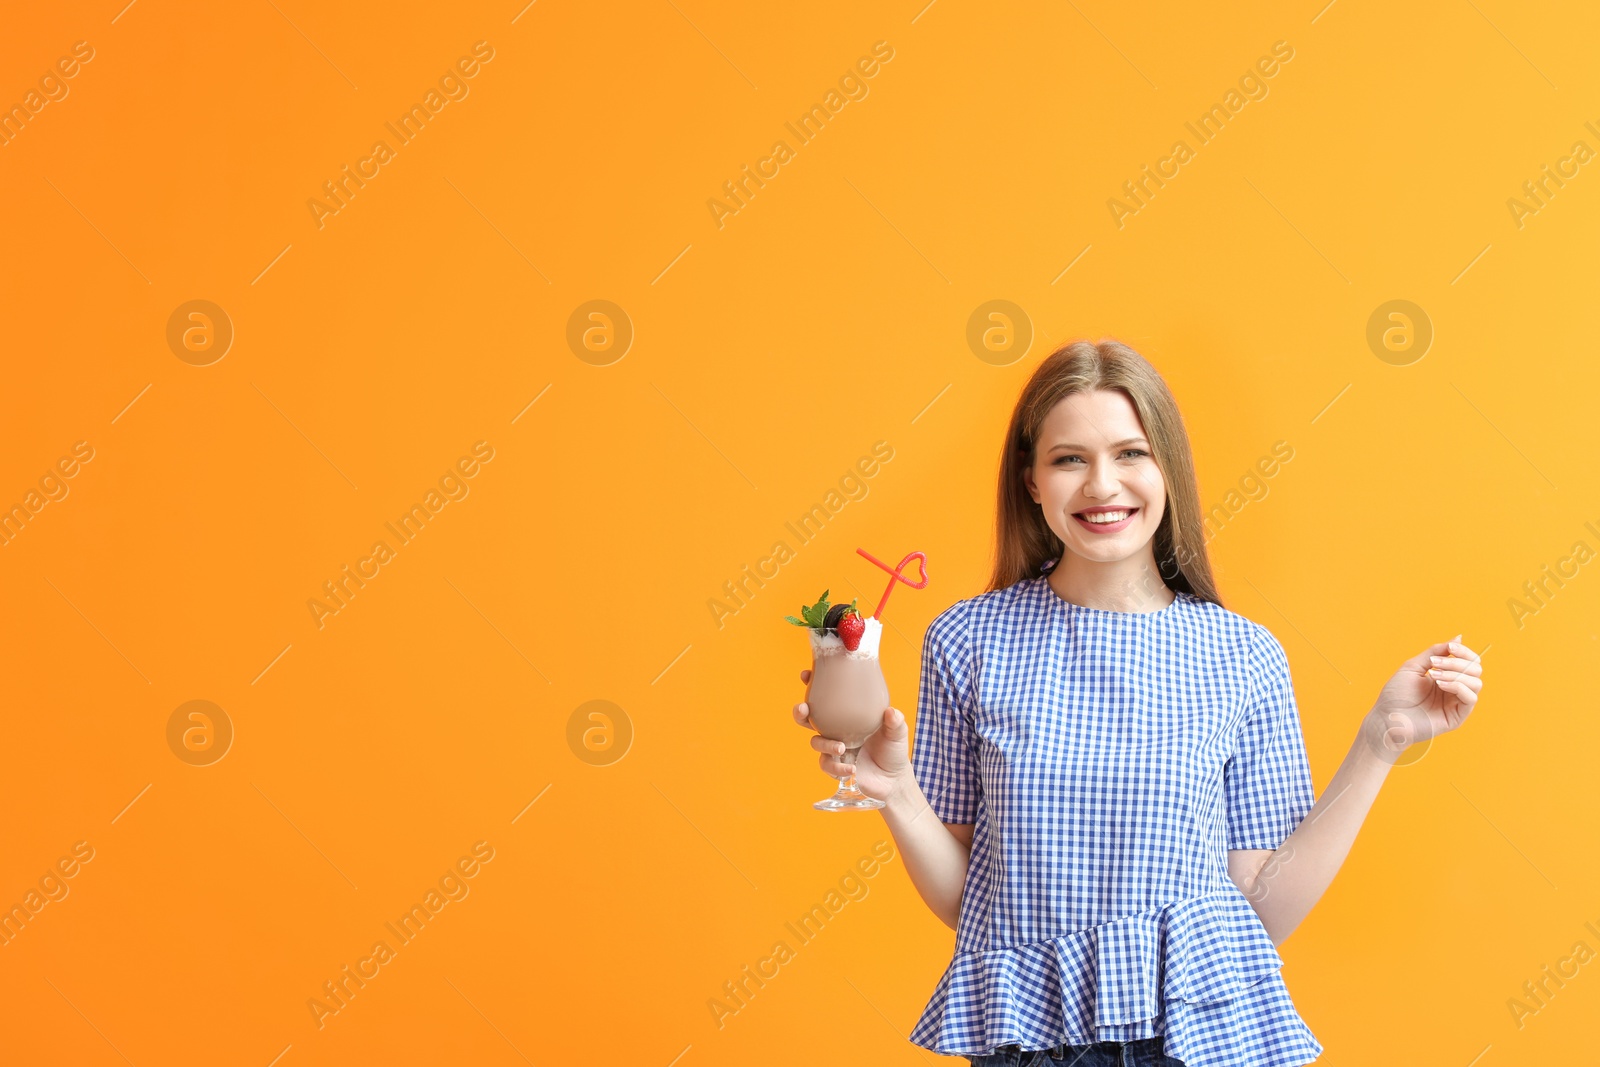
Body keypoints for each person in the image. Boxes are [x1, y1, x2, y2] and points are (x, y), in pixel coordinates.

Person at [792, 339, 1484, 1067]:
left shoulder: (1242, 654)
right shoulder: (968, 640)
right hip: (1029, 1045)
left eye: (1130, 453)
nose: (1101, 484)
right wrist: (897, 791)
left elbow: (1261, 909)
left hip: (1199, 1042)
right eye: (1068, 459)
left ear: (1168, 472)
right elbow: (976, 905)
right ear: (1030, 480)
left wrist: (1383, 738)